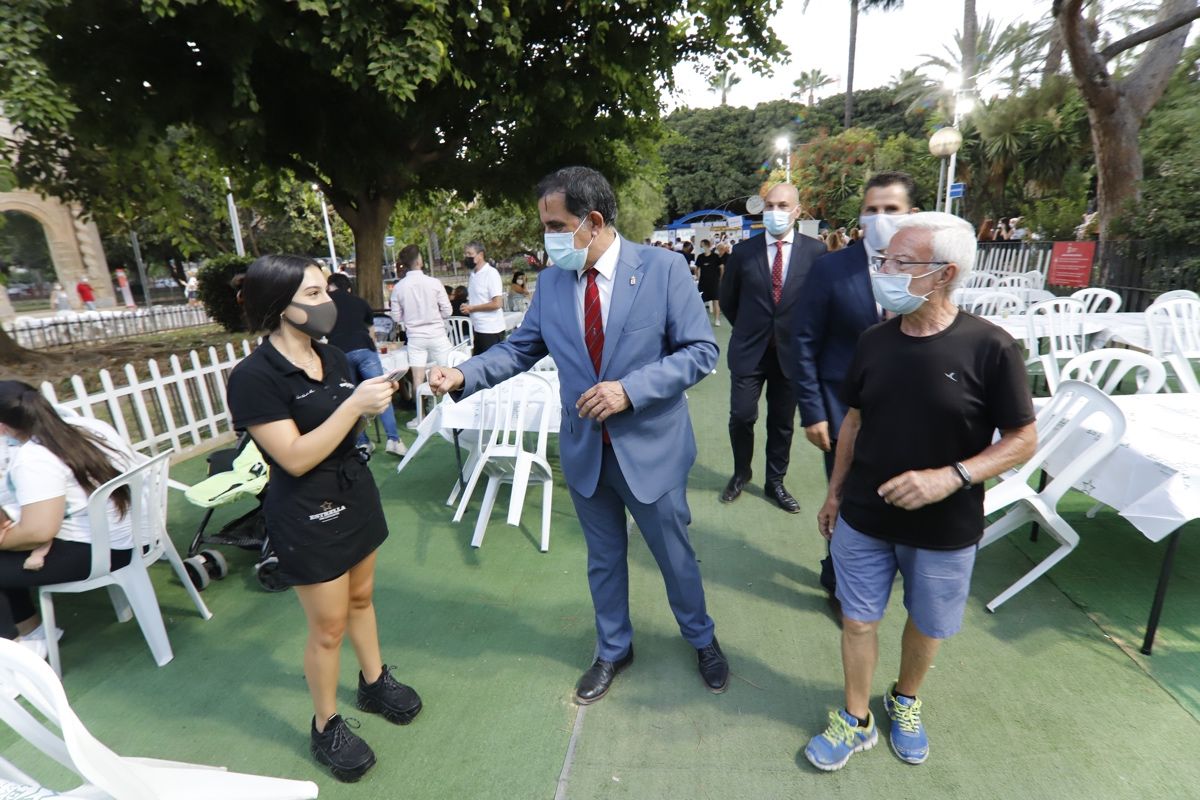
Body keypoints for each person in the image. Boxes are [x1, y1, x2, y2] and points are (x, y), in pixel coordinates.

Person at [428, 166, 729, 704]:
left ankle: (701, 637)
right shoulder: (553, 283)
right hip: (587, 449)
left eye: (556, 225)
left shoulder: (662, 269)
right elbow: (522, 347)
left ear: (592, 222)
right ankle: (613, 648)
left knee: (674, 555)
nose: (548, 238)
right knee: (603, 558)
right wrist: (464, 374)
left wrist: (629, 390)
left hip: (651, 449)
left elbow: (701, 352)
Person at [802, 212, 1037, 772]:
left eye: (900, 263)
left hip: (944, 526)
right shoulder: (873, 341)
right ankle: (855, 718)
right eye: (883, 260)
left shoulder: (991, 348)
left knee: (928, 623)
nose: (883, 271)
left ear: (944, 274)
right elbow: (854, 421)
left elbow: (1023, 439)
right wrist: (835, 493)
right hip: (863, 515)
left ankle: (904, 700)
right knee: (858, 619)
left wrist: (950, 476)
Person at [225, 255, 422, 783]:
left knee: (362, 598)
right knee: (329, 627)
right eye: (312, 295)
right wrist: (355, 406)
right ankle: (326, 722)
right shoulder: (253, 377)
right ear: (277, 306)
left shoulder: (331, 356)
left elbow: (343, 430)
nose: (326, 303)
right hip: (305, 511)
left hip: (355, 493)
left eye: (325, 291)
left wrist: (373, 402)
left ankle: (375, 680)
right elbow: (293, 456)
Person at [794, 171, 920, 603]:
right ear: (861, 216)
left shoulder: (928, 270)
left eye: (892, 210)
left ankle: (889, 568)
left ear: (912, 215)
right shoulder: (831, 269)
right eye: (872, 210)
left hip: (909, 412)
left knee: (901, 492)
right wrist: (811, 412)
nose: (880, 218)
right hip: (840, 407)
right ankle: (839, 580)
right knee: (844, 494)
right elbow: (803, 340)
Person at [0, 382, 136, 658]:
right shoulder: (90, 428)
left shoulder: (34, 458)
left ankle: (19, 655)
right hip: (133, 535)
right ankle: (32, 632)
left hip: (103, 550)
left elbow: (39, 531)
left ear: (3, 427)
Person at [718, 182, 825, 513]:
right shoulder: (743, 253)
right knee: (742, 416)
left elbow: (820, 303)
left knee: (782, 422)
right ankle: (741, 472)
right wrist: (752, 329)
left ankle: (775, 481)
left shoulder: (815, 252)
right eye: (768, 205)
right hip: (750, 350)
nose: (774, 212)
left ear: (796, 210)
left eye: (782, 205)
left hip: (792, 355)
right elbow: (728, 300)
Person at [326, 272, 406, 457]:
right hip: (364, 350)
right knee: (382, 392)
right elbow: (371, 331)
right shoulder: (359, 302)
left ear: (330, 287)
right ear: (348, 287)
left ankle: (363, 443)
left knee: (352, 399)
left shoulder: (325, 303)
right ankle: (393, 440)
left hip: (339, 354)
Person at [389, 244, 454, 406]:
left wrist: (409, 317)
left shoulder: (398, 287)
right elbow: (448, 311)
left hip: (415, 338)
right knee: (448, 373)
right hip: (437, 334)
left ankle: (421, 416)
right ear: (418, 261)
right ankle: (449, 409)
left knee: (417, 378)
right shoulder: (434, 282)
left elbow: (396, 317)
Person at [461, 242, 507, 354]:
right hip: (477, 328)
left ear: (480, 255)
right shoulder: (473, 275)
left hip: (491, 330)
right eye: (465, 254)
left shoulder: (491, 274)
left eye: (469, 254)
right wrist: (468, 306)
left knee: (493, 367)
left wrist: (472, 308)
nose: (466, 257)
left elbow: (497, 303)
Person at [693, 239, 723, 327]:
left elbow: (722, 268)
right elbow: (696, 269)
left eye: (702, 246)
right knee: (700, 302)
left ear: (707, 246)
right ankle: (701, 320)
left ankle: (717, 320)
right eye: (700, 246)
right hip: (703, 283)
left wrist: (721, 279)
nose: (701, 247)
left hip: (714, 282)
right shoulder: (700, 257)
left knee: (716, 301)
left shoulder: (716, 256)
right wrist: (697, 277)